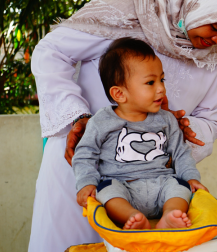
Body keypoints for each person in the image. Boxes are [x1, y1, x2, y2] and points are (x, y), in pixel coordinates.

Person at [29, 0, 217, 252]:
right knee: (70, 243)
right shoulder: (131, 10)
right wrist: (77, 117)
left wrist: (181, 128)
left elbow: (209, 119)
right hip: (80, 160)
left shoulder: (216, 53)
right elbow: (51, 52)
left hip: (150, 177)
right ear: (198, 4)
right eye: (215, 26)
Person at [73, 38, 207, 230]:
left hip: (161, 183)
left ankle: (170, 216)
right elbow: (85, 154)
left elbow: (181, 153)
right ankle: (133, 218)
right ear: (119, 94)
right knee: (106, 191)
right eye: (150, 82)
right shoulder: (101, 121)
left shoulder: (166, 119)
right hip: (122, 185)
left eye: (162, 79)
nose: (161, 88)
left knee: (180, 188)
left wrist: (191, 177)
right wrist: (86, 183)